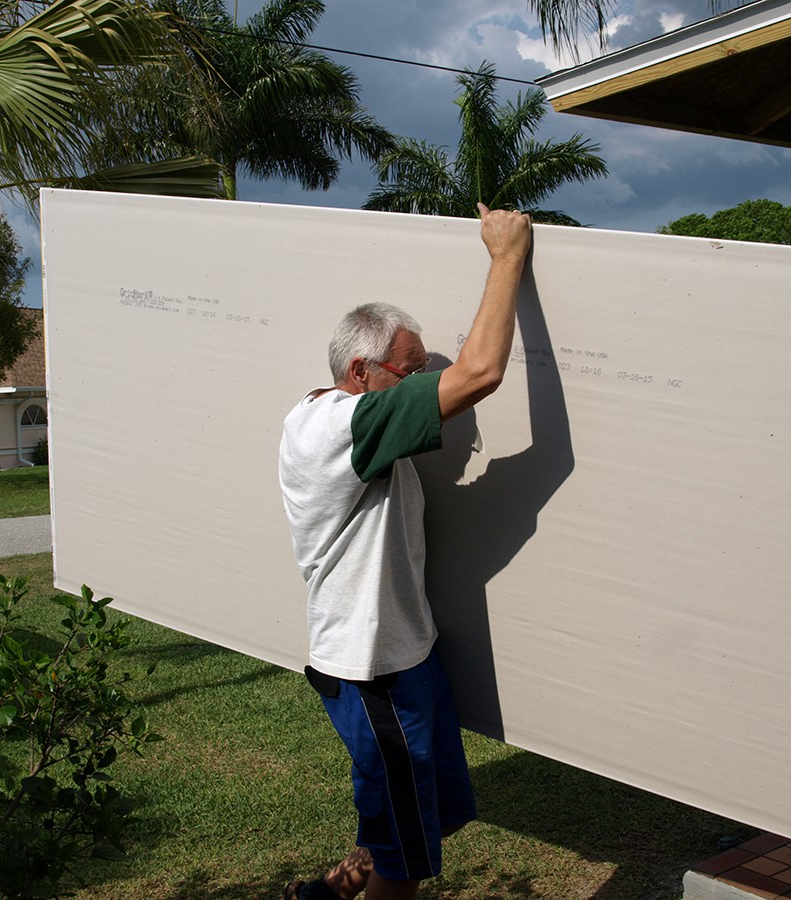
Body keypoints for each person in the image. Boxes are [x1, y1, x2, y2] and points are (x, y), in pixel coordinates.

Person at [278, 204, 532, 900]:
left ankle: (331, 889)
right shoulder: (341, 429)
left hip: (404, 658)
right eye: (412, 373)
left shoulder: (347, 422)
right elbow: (481, 371)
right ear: (362, 371)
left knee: (420, 815)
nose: (424, 389)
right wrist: (506, 254)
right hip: (373, 674)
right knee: (405, 862)